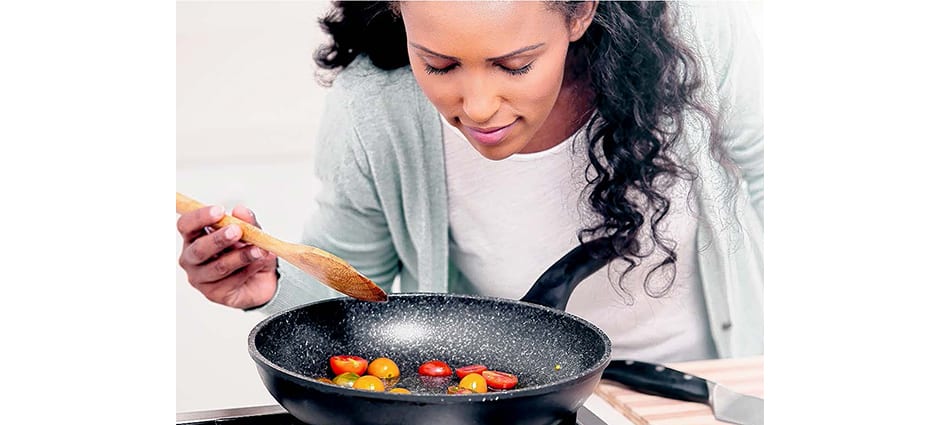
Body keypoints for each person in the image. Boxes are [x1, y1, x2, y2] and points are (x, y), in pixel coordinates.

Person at [177, 0, 763, 362]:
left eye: (516, 65)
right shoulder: (374, 104)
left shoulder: (697, 32)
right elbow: (352, 292)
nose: (478, 107)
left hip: (713, 385)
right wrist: (272, 285)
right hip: (513, 401)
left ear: (580, 11)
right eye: (439, 65)